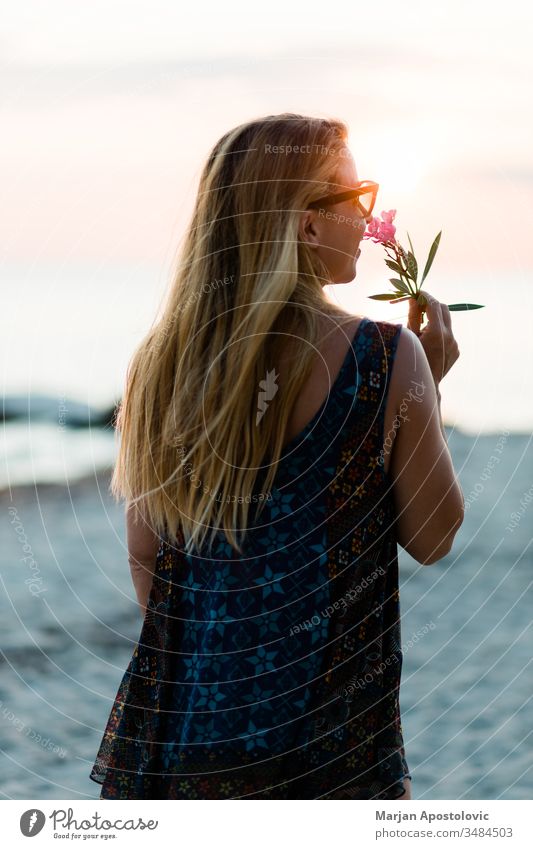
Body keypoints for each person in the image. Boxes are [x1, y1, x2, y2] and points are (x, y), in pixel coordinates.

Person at [90, 114, 464, 800]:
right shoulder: (383, 358)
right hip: (332, 753)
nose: (368, 215)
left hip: (186, 741)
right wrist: (424, 391)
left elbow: (151, 573)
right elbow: (433, 536)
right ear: (307, 224)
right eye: (354, 197)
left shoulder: (157, 367)